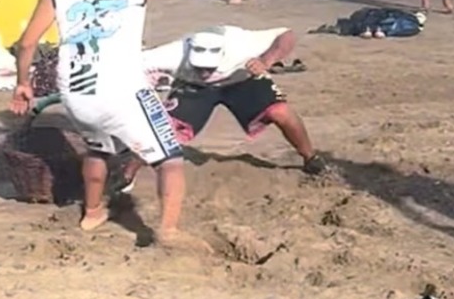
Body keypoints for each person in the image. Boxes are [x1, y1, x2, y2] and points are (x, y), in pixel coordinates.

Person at [9, 0, 235, 248]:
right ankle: (169, 231)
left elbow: (27, 43)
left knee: (98, 148)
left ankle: (93, 213)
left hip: (76, 93)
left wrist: (23, 83)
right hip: (123, 91)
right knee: (170, 157)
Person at [132, 25, 329, 185]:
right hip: (194, 87)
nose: (205, 73)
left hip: (242, 79)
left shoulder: (241, 44)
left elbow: (286, 34)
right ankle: (126, 175)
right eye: (199, 67)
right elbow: (132, 70)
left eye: (209, 68)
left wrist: (266, 60)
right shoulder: (170, 54)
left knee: (280, 112)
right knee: (165, 131)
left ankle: (311, 158)